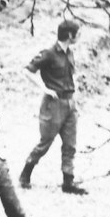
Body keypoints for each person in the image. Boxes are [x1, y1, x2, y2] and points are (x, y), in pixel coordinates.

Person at [22, 19, 86, 194]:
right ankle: (26, 173)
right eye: (77, 34)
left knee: (70, 144)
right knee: (45, 142)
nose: (78, 37)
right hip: (54, 104)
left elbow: (72, 75)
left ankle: (68, 181)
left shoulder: (70, 53)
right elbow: (27, 70)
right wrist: (45, 89)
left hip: (70, 102)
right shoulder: (49, 54)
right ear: (69, 35)